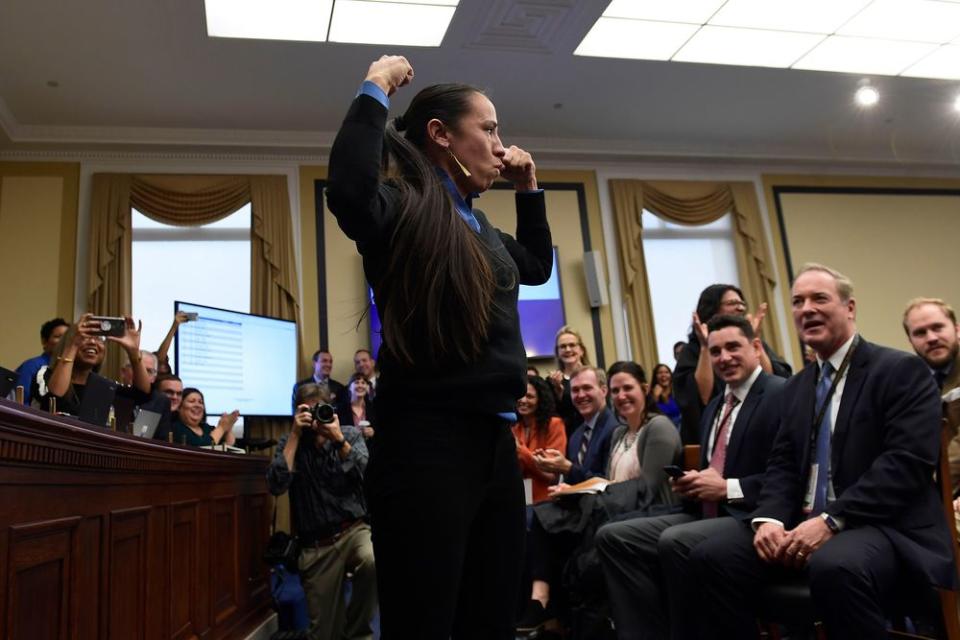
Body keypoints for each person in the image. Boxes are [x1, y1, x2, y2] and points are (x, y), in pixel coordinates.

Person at [325, 55, 553, 640]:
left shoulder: (481, 230)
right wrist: (375, 87)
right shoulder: (403, 209)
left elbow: (535, 266)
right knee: (424, 622)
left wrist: (529, 189)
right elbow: (350, 192)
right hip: (426, 446)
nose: (501, 145)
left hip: (493, 448)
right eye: (489, 128)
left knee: (490, 617)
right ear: (440, 135)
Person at [688, 264, 955, 639]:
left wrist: (831, 520)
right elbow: (781, 465)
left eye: (819, 298)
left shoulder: (900, 370)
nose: (806, 309)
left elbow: (904, 466)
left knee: (833, 565)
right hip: (806, 524)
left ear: (850, 308)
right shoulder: (797, 387)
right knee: (710, 556)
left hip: (883, 525)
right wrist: (769, 521)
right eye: (797, 302)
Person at [595, 315, 784, 640]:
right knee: (613, 535)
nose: (724, 357)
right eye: (716, 351)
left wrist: (727, 487)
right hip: (704, 509)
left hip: (750, 514)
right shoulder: (715, 406)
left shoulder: (780, 394)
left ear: (755, 347)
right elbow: (717, 469)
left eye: (733, 347)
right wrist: (693, 481)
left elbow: (786, 477)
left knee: (676, 541)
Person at [518, 362, 681, 634]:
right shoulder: (619, 432)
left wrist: (573, 481)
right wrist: (572, 490)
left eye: (627, 388)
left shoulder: (658, 427)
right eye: (617, 390)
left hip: (647, 511)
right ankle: (545, 606)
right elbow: (605, 482)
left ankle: (557, 615)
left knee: (557, 526)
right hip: (612, 505)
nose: (621, 396)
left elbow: (648, 489)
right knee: (541, 515)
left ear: (643, 389)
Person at [267, 383, 376, 640]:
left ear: (332, 409)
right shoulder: (290, 442)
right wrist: (294, 435)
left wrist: (337, 440)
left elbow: (369, 477)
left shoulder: (348, 434)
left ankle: (359, 631)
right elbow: (276, 484)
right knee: (325, 634)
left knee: (372, 560)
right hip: (316, 545)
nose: (316, 417)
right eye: (308, 410)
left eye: (321, 409)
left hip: (353, 531)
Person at [673, 284, 792, 444]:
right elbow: (701, 399)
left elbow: (773, 381)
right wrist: (705, 346)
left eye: (742, 303)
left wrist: (754, 339)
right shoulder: (693, 350)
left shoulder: (753, 343)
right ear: (711, 308)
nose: (740, 308)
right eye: (732, 303)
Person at [34, 313, 151, 420]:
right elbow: (55, 398)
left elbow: (142, 395)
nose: (93, 342)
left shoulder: (103, 386)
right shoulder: (45, 374)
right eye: (85, 337)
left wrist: (134, 353)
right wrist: (72, 345)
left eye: (99, 338)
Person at [532, 366, 616, 487]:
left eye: (587, 388)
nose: (581, 395)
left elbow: (609, 483)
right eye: (575, 390)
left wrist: (568, 468)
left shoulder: (614, 430)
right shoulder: (576, 435)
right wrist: (552, 466)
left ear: (603, 391)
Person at [511, 375, 567, 504]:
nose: (523, 400)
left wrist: (520, 450)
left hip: (546, 503)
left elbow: (550, 475)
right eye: (521, 396)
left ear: (540, 400)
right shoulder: (514, 427)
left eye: (529, 396)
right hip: (518, 500)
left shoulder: (554, 425)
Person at [14, 317, 69, 405]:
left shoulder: (71, 370)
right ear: (44, 341)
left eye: (67, 337)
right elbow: (20, 403)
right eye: (58, 337)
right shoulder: (31, 366)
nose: (64, 341)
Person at [546, 326, 590, 437]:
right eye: (563, 346)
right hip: (564, 437)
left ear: (581, 350)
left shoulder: (593, 377)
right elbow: (549, 415)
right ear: (558, 352)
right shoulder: (551, 381)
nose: (568, 350)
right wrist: (558, 394)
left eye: (572, 345)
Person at [172, 387, 238, 447]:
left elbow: (228, 446)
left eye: (201, 402)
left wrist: (228, 427)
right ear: (179, 407)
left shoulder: (207, 428)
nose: (197, 405)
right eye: (192, 401)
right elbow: (204, 448)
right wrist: (221, 428)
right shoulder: (175, 428)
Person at [338, 372, 376, 440]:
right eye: (356, 382)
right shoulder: (341, 409)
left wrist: (373, 432)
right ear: (349, 387)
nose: (360, 385)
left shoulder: (374, 408)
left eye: (363, 383)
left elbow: (381, 431)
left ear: (367, 387)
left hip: (370, 449)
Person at [649, 363, 681, 428]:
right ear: (655, 376)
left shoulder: (677, 391)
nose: (663, 375)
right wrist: (655, 397)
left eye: (666, 372)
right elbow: (649, 415)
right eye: (660, 373)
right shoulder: (650, 394)